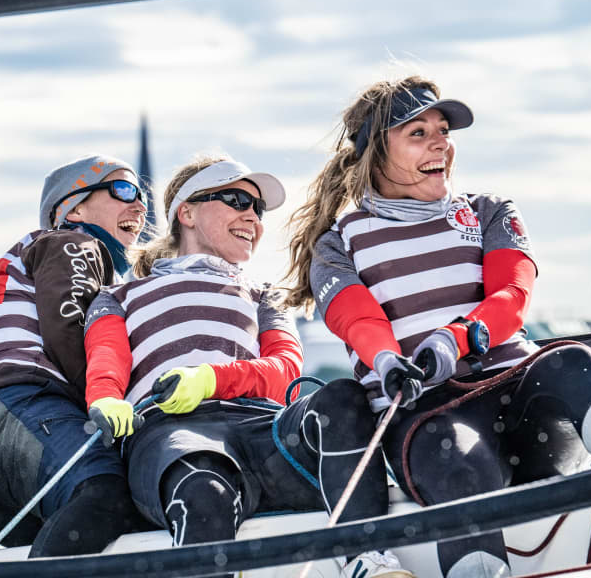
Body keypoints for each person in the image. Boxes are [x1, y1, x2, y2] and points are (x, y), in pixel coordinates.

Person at [284, 76, 591, 578]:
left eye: (443, 130)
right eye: (418, 133)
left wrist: (459, 337)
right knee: (456, 458)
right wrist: (387, 361)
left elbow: (510, 296)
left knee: (567, 360)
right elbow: (356, 318)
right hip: (434, 419)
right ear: (375, 154)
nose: (441, 143)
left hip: (522, 403)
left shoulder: (489, 210)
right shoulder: (338, 243)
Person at [82, 155, 412, 578]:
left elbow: (286, 369)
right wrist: (106, 400)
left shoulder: (262, 294)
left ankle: (369, 560)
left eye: (257, 209)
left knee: (342, 398)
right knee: (204, 489)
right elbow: (106, 359)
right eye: (237, 200)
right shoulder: (119, 295)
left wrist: (210, 379)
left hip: (264, 432)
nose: (252, 217)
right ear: (186, 212)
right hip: (171, 432)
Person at [0, 154, 151, 557]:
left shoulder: (26, 258)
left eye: (142, 195)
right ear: (73, 208)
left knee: (42, 541)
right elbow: (68, 331)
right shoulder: (74, 243)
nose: (140, 205)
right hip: (26, 406)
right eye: (123, 190)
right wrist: (113, 406)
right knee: (104, 489)